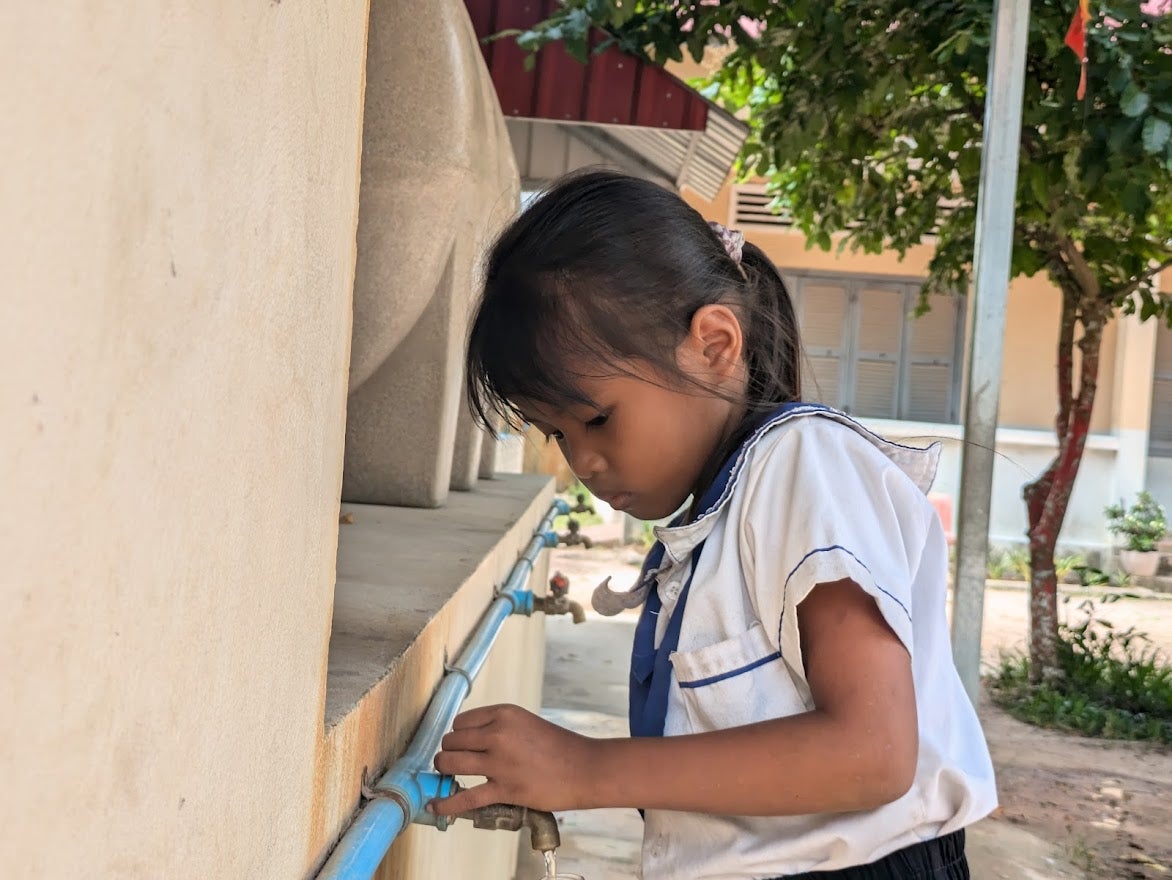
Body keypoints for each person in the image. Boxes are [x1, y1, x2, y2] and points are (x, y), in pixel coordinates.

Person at [430, 169, 996, 879]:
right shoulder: (720, 515)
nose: (583, 461)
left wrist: (587, 769)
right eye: (558, 434)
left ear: (716, 346)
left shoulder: (803, 465)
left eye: (596, 418)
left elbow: (873, 753)